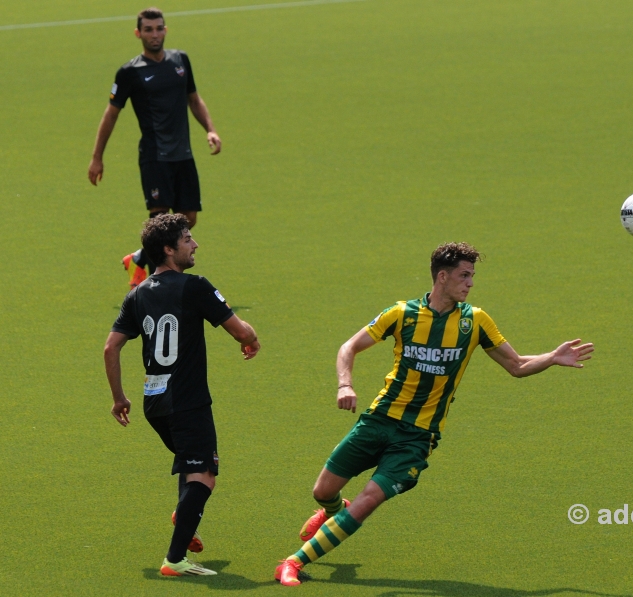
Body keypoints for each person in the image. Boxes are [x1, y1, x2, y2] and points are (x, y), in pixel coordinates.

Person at [274, 242, 594, 585]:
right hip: (378, 419)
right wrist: (344, 384)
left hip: (417, 437)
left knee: (369, 499)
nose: (470, 283)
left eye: (472, 276)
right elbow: (349, 347)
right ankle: (334, 512)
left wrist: (551, 357)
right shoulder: (402, 314)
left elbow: (516, 366)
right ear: (442, 277)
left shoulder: (475, 321)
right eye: (464, 275)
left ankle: (293, 562)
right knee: (322, 491)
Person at [104, 213, 260, 576]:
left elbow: (111, 348)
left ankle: (185, 517)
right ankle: (174, 560)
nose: (195, 244)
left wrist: (118, 398)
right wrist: (251, 339)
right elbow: (239, 332)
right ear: (169, 249)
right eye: (188, 239)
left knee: (191, 466)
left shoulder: (137, 294)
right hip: (188, 400)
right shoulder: (195, 286)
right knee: (204, 475)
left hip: (153, 403)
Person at [88, 7, 222, 289]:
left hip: (183, 154)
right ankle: (156, 287)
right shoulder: (129, 72)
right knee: (160, 221)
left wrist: (210, 129)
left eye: (158, 28)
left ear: (165, 30)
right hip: (154, 156)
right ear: (138, 33)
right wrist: (97, 158)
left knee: (188, 219)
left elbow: (194, 99)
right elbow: (111, 115)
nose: (154, 34)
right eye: (148, 29)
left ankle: (139, 257)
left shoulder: (180, 60)